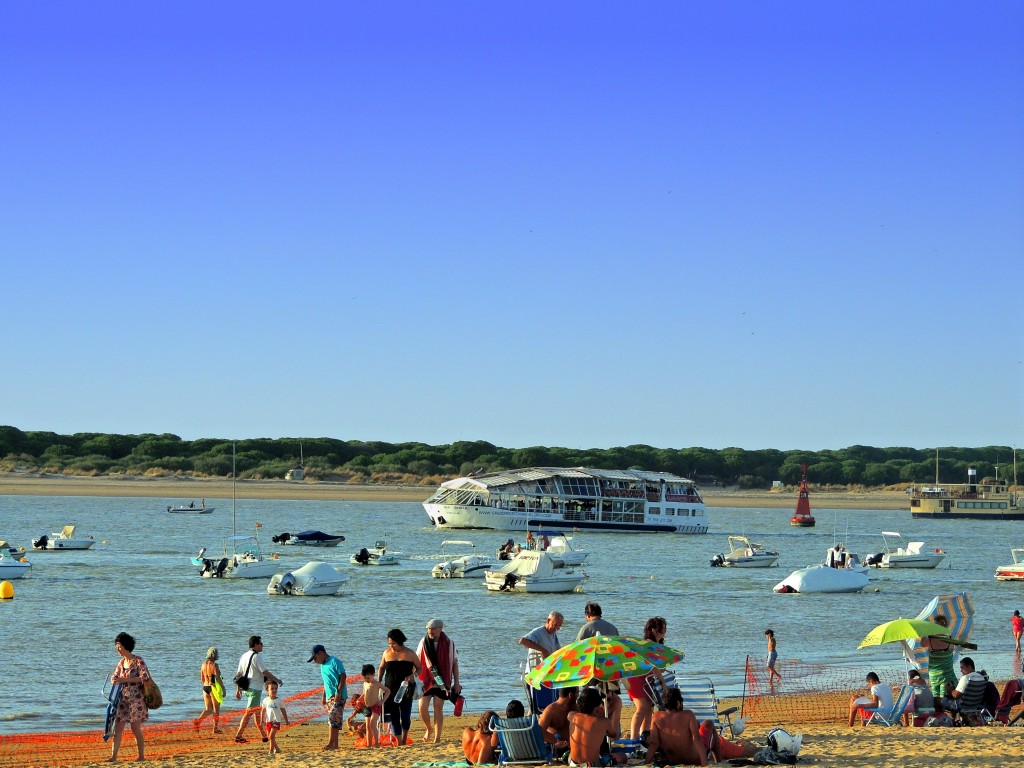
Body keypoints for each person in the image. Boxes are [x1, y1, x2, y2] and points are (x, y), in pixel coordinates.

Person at [576, 603, 622, 735]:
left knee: (592, 704)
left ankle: (593, 732)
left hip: (593, 672)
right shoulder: (612, 628)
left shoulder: (586, 628)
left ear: (587, 615)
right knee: (611, 703)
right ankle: (613, 733)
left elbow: (578, 651)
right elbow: (618, 650)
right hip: (611, 671)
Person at [417, 618, 461, 744]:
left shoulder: (449, 643)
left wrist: (456, 682)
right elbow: (417, 660)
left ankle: (437, 738)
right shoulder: (423, 642)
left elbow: (454, 664)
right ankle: (428, 729)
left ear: (440, 629)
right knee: (422, 707)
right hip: (426, 679)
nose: (430, 631)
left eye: (433, 628)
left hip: (442, 681)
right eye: (429, 629)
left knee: (438, 707)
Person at [107, 632, 150, 762]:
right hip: (123, 700)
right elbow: (116, 677)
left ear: (126, 646)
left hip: (136, 700)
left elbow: (144, 677)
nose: (118, 650)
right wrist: (113, 680)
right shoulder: (121, 663)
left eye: (119, 647)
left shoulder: (138, 661)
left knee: (135, 728)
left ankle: (141, 756)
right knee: (118, 728)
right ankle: (114, 756)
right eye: (117, 647)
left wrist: (123, 679)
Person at [234, 635, 282, 744]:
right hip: (255, 689)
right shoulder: (257, 657)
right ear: (256, 645)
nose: (262, 645)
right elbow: (264, 672)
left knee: (256, 712)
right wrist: (277, 680)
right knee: (249, 713)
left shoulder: (244, 655)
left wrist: (238, 690)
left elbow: (238, 674)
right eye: (261, 643)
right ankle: (238, 735)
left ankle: (264, 735)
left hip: (246, 688)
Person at [627, 616, 668, 740]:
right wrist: (662, 680)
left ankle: (644, 737)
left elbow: (654, 666)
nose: (665, 631)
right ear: (655, 630)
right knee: (642, 707)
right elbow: (652, 665)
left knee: (648, 708)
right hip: (636, 678)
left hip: (645, 679)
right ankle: (634, 739)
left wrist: (660, 671)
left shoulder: (653, 644)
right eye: (663, 628)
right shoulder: (649, 644)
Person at [379, 627, 422, 746]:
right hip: (390, 689)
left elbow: (420, 668)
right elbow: (381, 668)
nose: (391, 646)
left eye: (393, 643)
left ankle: (404, 737)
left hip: (406, 689)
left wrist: (413, 676)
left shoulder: (410, 653)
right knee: (394, 716)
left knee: (405, 715)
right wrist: (378, 683)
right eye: (389, 643)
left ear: (400, 641)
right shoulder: (386, 653)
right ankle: (399, 742)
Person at [645, 688, 706, 767]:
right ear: (678, 702)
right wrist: (705, 764)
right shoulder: (688, 715)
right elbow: (697, 739)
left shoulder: (656, 717)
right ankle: (718, 759)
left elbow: (654, 743)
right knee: (708, 724)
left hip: (672, 760)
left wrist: (646, 763)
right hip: (691, 759)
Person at [520, 611, 564, 712]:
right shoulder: (538, 632)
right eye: (555, 625)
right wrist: (542, 650)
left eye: (559, 626)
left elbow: (558, 650)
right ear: (548, 621)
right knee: (537, 705)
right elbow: (523, 641)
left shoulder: (554, 635)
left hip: (547, 673)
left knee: (549, 704)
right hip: (535, 673)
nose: (557, 628)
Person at [308, 644, 347, 750]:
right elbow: (326, 683)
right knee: (334, 719)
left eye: (315, 658)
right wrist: (323, 696)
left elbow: (343, 676)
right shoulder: (322, 666)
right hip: (329, 696)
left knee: (333, 719)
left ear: (321, 653)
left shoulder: (334, 661)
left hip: (338, 695)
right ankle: (335, 745)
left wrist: (338, 692)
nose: (315, 661)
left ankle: (330, 744)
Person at [569, 687, 620, 767]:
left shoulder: (572, 716)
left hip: (573, 764)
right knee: (622, 757)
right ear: (598, 704)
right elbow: (614, 735)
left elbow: (583, 717)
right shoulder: (604, 722)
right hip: (591, 765)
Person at [920, 616, 957, 699]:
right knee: (945, 696)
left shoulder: (929, 640)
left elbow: (922, 644)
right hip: (947, 673)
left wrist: (927, 632)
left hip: (934, 673)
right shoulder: (950, 639)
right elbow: (952, 648)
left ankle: (938, 710)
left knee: (936, 695)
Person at [361, 664, 391, 748]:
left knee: (372, 724)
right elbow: (365, 693)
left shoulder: (377, 683)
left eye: (368, 678)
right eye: (365, 678)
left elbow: (388, 691)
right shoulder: (365, 683)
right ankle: (369, 744)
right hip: (367, 707)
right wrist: (359, 699)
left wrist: (382, 701)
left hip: (375, 706)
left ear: (373, 675)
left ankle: (377, 743)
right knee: (367, 727)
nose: (366, 679)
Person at [538, 688, 575, 755]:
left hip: (572, 747)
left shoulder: (575, 708)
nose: (578, 696)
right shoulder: (550, 710)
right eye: (577, 693)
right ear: (571, 695)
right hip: (557, 747)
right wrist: (556, 741)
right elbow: (539, 731)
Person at [196, 646, 223, 733]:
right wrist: (223, 688)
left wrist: (206, 684)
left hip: (205, 687)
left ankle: (198, 721)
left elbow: (202, 679)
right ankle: (215, 728)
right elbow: (218, 678)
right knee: (216, 709)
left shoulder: (203, 665)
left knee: (208, 709)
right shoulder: (215, 665)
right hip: (213, 688)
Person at [260, 680, 289, 755]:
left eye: (276, 688)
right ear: (267, 690)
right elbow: (263, 710)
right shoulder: (265, 700)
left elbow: (283, 711)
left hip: (276, 721)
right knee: (271, 737)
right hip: (268, 721)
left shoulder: (279, 700)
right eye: (272, 689)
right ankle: (278, 749)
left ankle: (271, 751)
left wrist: (286, 721)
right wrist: (261, 720)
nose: (274, 690)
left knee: (271, 736)